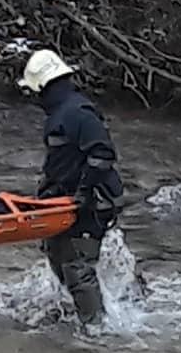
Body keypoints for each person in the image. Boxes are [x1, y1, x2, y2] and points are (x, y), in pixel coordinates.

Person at [17, 48, 122, 329]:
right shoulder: (63, 114)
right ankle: (81, 314)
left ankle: (99, 330)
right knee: (57, 255)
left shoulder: (78, 114)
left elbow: (102, 156)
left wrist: (83, 194)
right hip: (64, 200)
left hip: (89, 202)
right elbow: (62, 163)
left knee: (78, 267)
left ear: (43, 87)